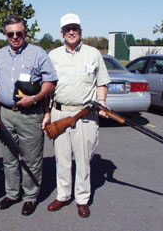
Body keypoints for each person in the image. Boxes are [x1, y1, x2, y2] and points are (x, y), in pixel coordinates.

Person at [46, 13, 110, 218]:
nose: (71, 32)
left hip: (86, 114)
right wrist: (47, 113)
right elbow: (47, 87)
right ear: (62, 33)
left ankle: (82, 198)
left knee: (83, 159)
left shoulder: (93, 54)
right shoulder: (53, 56)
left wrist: (102, 102)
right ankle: (63, 195)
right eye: (67, 29)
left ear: (80, 31)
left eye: (74, 28)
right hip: (59, 112)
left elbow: (101, 82)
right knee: (62, 158)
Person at [0, 15, 58, 216]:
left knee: (32, 159)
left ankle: (30, 196)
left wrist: (35, 98)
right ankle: (12, 194)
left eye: (19, 33)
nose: (15, 37)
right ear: (5, 35)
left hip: (30, 115)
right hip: (5, 114)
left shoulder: (38, 54)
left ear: (26, 33)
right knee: (9, 158)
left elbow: (50, 82)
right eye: (10, 33)